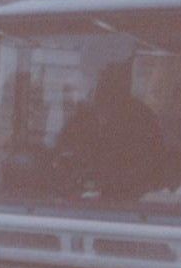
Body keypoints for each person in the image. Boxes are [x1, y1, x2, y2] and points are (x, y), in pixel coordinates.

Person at [57, 60, 165, 198]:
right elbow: (64, 155)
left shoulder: (142, 119)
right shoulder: (80, 120)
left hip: (132, 202)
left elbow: (153, 165)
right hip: (79, 202)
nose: (102, 86)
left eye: (111, 80)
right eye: (101, 80)